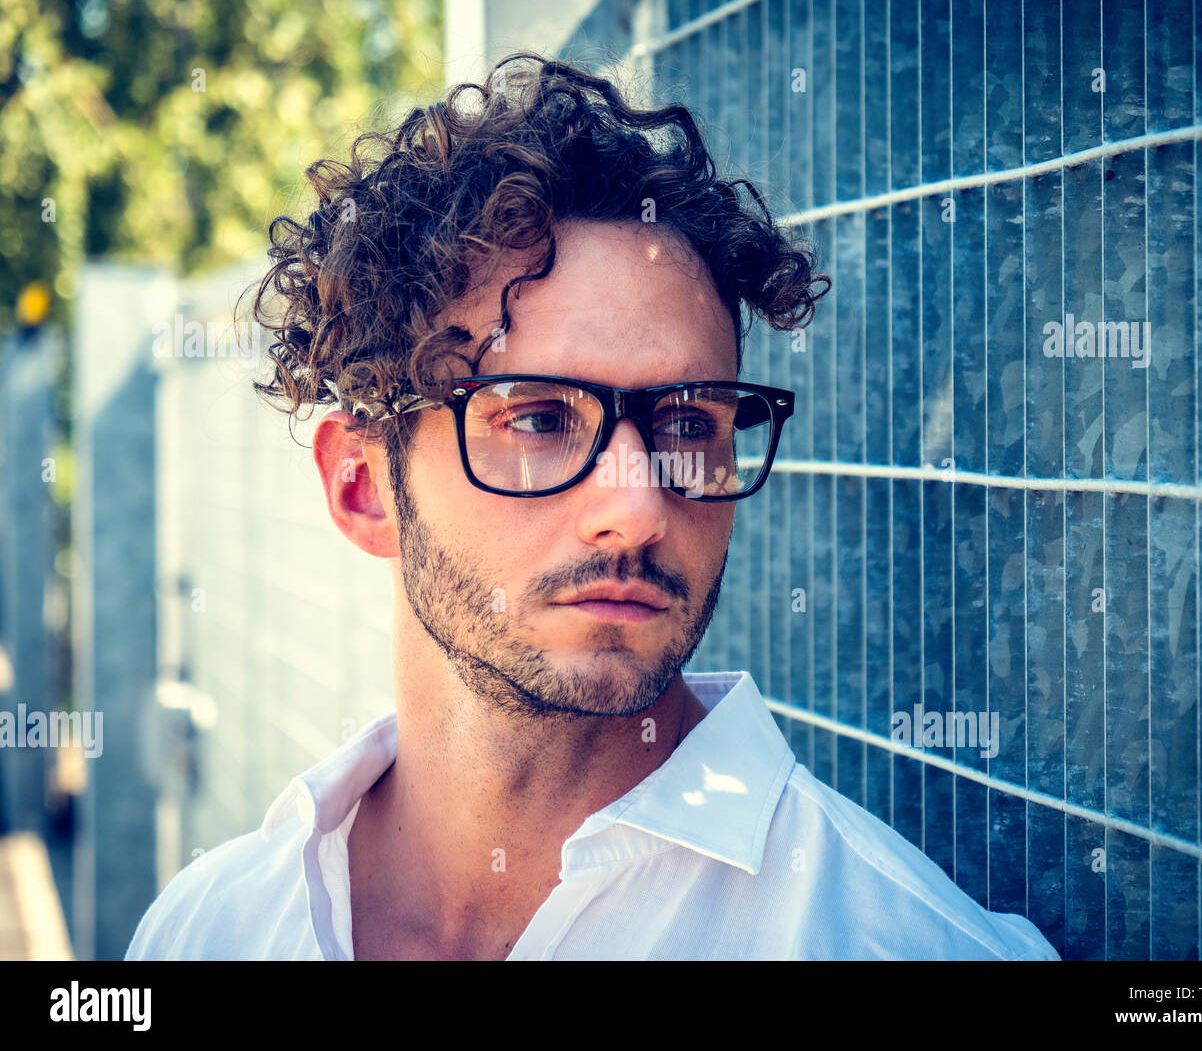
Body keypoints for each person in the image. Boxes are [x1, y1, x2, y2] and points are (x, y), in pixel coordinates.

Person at [126, 52, 1059, 961]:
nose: (638, 509)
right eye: (537, 418)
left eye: (689, 420)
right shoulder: (208, 930)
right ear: (363, 486)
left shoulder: (888, 940)